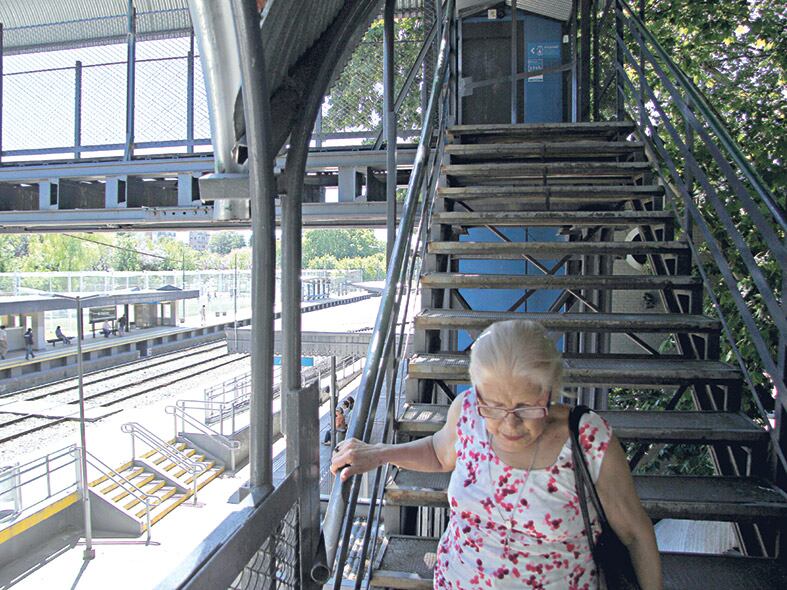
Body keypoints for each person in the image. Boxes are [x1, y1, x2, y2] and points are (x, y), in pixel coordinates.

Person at [331, 320, 663, 589]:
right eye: (494, 406)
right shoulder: (467, 412)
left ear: (550, 390)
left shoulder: (586, 438)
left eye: (525, 407)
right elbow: (438, 452)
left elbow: (635, 533)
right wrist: (379, 454)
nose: (509, 424)